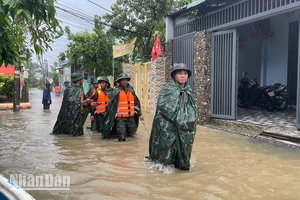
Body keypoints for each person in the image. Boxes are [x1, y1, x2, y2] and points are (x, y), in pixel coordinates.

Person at [148, 63, 198, 170]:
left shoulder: (189, 92)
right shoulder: (167, 89)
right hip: (168, 128)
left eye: (185, 74)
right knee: (165, 157)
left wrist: (185, 122)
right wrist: (176, 119)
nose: (183, 76)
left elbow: (193, 110)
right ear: (174, 75)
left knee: (181, 157)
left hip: (184, 129)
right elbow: (162, 109)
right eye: (180, 73)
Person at [102, 73, 144, 141]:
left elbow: (135, 104)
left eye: (126, 80)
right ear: (119, 82)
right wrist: (110, 117)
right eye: (122, 80)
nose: (124, 82)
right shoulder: (116, 91)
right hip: (120, 118)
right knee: (122, 137)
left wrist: (140, 114)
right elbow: (111, 105)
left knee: (132, 134)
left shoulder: (131, 90)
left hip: (131, 117)